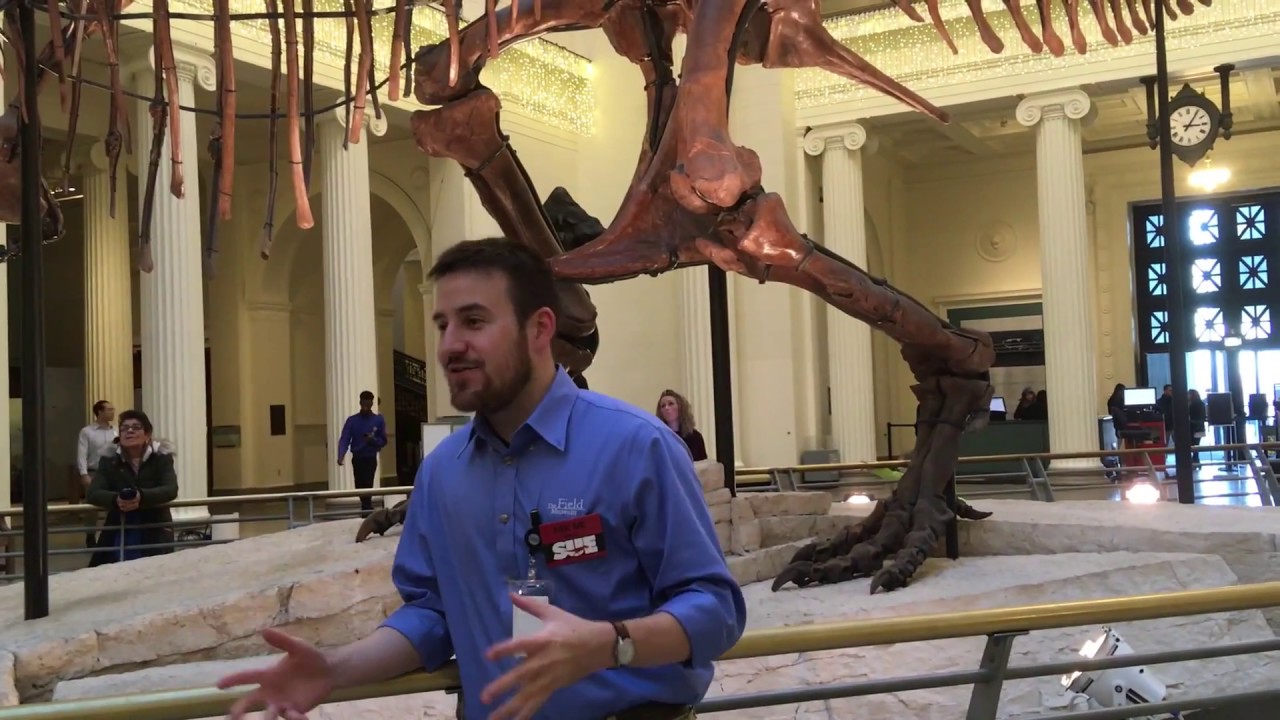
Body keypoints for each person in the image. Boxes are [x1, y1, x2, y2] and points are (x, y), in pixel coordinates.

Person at [218, 238, 746, 720]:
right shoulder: (442, 473)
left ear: (539, 328)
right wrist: (336, 669)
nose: (449, 346)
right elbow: (431, 613)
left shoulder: (638, 446)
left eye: (473, 321)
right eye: (443, 324)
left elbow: (715, 609)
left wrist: (610, 643)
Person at [85, 409, 179, 566]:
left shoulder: (161, 458)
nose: (129, 431)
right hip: (119, 526)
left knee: (156, 570)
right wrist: (116, 499)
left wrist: (141, 497)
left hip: (154, 525)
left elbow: (170, 489)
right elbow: (93, 493)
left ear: (147, 434)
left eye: (136, 427)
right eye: (124, 428)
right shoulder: (109, 459)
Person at [337, 390, 388, 515]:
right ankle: (365, 506)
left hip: (370, 457)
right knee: (359, 483)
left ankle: (366, 507)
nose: (366, 405)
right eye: (363, 402)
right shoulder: (352, 420)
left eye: (368, 403)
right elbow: (345, 438)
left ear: (371, 403)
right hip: (357, 457)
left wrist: (373, 440)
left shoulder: (378, 420)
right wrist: (341, 454)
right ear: (360, 402)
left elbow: (383, 440)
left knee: (368, 481)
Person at [76, 400, 118, 547]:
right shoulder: (87, 432)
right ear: (100, 412)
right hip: (94, 472)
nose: (113, 412)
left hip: (113, 472)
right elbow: (82, 454)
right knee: (92, 506)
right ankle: (90, 535)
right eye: (109, 409)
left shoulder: (116, 431)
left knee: (113, 503)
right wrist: (83, 473)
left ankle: (110, 535)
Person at [655, 389, 708, 462]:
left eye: (671, 404)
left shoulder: (695, 437)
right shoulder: (659, 437)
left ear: (680, 407)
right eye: (663, 406)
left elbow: (702, 466)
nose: (666, 408)